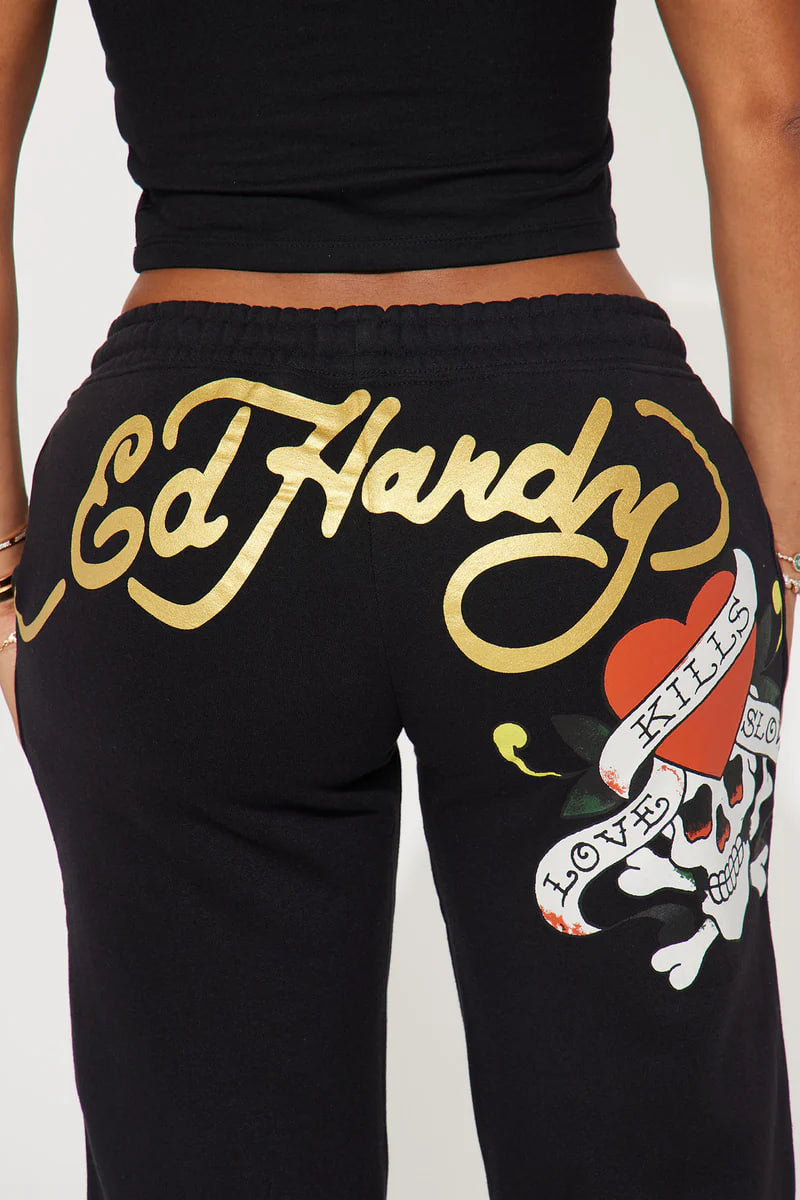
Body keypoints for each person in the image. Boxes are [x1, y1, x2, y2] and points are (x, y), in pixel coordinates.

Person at [1, 0, 798, 1195]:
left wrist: (4, 558)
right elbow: (769, 108)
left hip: (180, 501)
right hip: (588, 486)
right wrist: (776, 554)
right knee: (653, 1143)